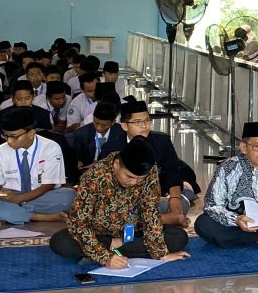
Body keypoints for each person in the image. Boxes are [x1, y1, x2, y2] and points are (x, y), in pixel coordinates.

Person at [48, 137, 190, 266]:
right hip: (99, 234)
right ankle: (107, 250)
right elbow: (79, 222)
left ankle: (102, 251)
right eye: (129, 177)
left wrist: (161, 253)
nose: (134, 182)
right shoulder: (95, 175)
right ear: (116, 164)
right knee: (61, 242)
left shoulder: (149, 172)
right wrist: (104, 257)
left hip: (133, 233)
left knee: (178, 237)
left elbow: (150, 212)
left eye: (140, 179)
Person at [0, 106, 74, 224]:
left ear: (31, 133)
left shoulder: (51, 147)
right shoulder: (0, 151)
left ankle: (9, 214)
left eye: (14, 136)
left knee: (69, 196)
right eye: (6, 135)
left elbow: (48, 186)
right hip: (9, 197)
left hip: (40, 196)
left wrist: (19, 199)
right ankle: (39, 217)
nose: (9, 141)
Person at [119, 100, 191, 225]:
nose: (144, 126)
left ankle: (159, 219)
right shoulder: (113, 146)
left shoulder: (162, 141)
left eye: (147, 120)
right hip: (125, 200)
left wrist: (175, 201)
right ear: (125, 126)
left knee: (183, 204)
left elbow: (173, 173)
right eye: (138, 122)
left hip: (158, 197)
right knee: (122, 213)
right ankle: (165, 220)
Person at [68, 100, 127, 168]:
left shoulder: (122, 133)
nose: (99, 127)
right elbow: (80, 159)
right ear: (93, 118)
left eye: (104, 125)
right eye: (96, 123)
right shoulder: (81, 134)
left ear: (113, 122)